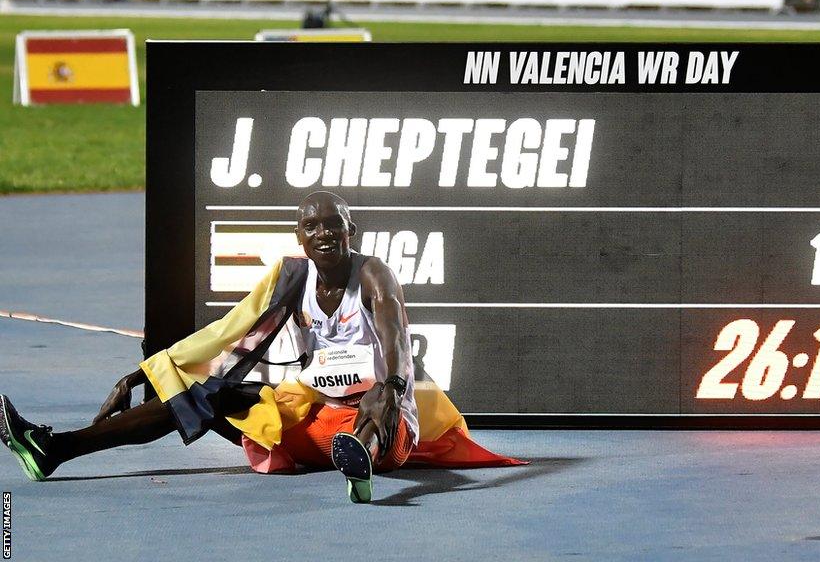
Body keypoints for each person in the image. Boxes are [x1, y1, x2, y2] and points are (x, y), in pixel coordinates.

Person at [0, 191, 522, 503]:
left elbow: (397, 343)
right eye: (311, 225)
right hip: (312, 419)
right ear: (299, 235)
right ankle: (57, 448)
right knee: (207, 395)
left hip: (382, 421)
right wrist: (148, 370)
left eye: (333, 225)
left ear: (350, 231)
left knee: (376, 398)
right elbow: (225, 332)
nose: (323, 234)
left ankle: (362, 466)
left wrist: (391, 387)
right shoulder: (290, 276)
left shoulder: (374, 275)